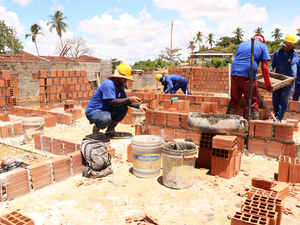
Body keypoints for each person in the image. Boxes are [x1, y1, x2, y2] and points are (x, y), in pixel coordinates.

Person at [85, 62, 147, 137]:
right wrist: (130, 99)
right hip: (94, 111)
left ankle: (110, 130)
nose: (126, 81)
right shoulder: (109, 83)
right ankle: (96, 128)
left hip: (106, 110)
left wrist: (139, 106)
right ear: (118, 77)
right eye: (124, 79)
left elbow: (124, 101)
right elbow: (112, 102)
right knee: (105, 119)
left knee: (123, 108)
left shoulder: (120, 85)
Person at [226, 34, 273, 120]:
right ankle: (254, 125)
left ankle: (226, 120)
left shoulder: (242, 44)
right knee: (253, 101)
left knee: (234, 99)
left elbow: (237, 58)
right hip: (248, 73)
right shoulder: (263, 46)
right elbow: (265, 67)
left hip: (234, 72)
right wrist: (268, 84)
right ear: (262, 41)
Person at [270, 33, 298, 121]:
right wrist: (268, 71)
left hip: (287, 80)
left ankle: (279, 117)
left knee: (284, 99)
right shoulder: (277, 53)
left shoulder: (294, 54)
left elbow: (293, 65)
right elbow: (273, 65)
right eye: (288, 45)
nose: (289, 47)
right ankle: (276, 115)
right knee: (275, 98)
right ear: (284, 43)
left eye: (291, 46)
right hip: (277, 80)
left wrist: (293, 77)